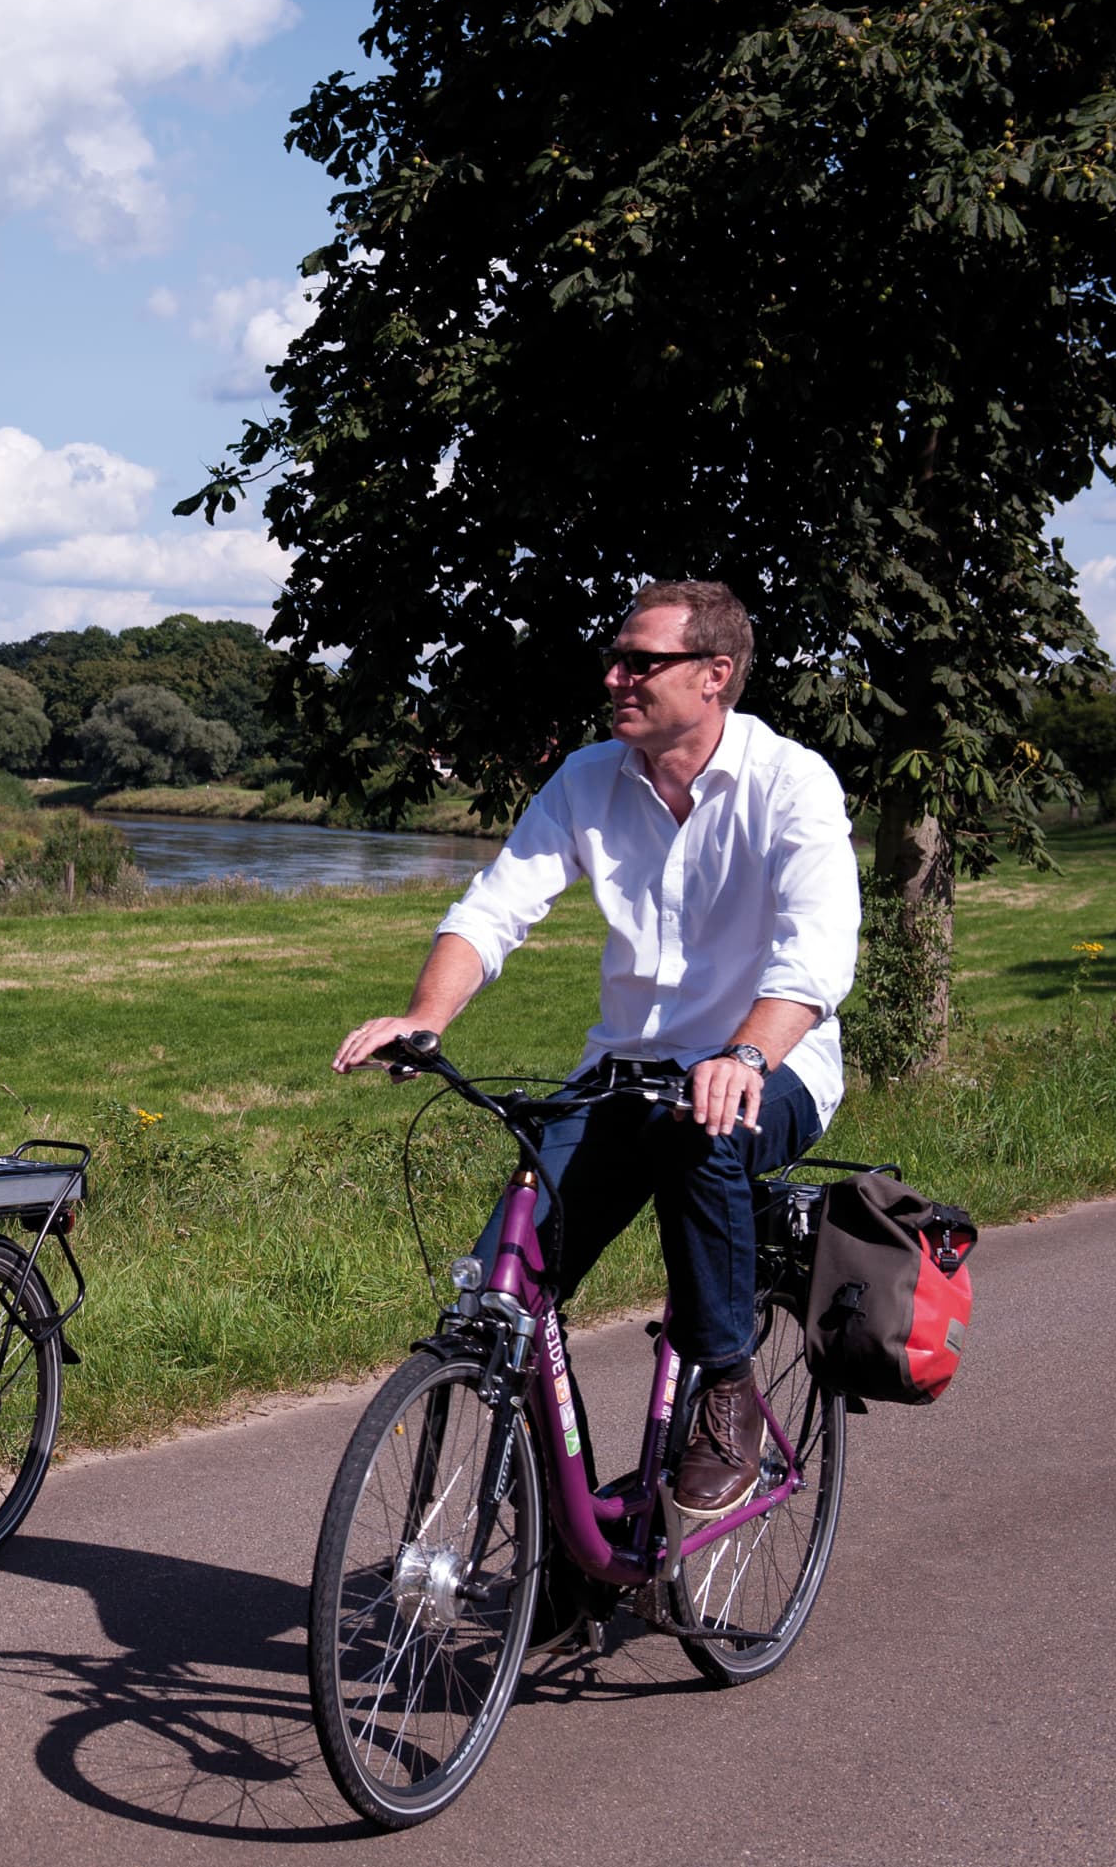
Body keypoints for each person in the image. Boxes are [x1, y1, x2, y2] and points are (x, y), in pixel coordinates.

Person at [331, 581, 860, 1519]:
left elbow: (814, 958)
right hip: (623, 1075)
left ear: (714, 676)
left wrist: (743, 1056)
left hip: (768, 1069)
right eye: (613, 658)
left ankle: (728, 1393)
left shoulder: (792, 783)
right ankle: (560, 1549)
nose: (615, 677)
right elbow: (495, 909)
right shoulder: (588, 778)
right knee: (506, 1292)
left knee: (700, 1137)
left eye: (640, 663)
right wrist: (427, 1015)